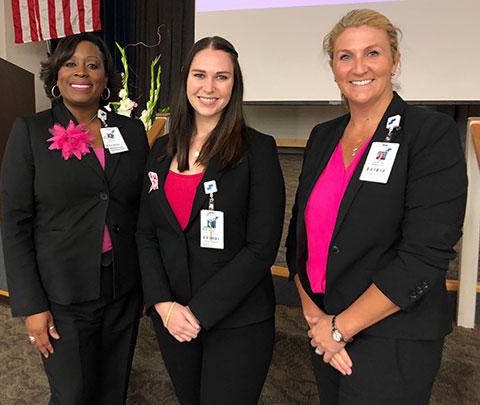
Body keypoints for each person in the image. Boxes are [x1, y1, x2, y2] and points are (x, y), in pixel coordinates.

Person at [285, 9, 467, 404]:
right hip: (325, 324)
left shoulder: (428, 134)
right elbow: (299, 234)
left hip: (393, 333)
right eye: (345, 56)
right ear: (333, 66)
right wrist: (316, 316)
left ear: (394, 61)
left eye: (373, 53)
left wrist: (341, 328)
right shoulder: (323, 136)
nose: (358, 67)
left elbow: (425, 254)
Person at [0, 33, 149, 404]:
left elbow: (143, 211)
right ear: (56, 75)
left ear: (105, 80)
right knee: (73, 395)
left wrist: (148, 285)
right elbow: (15, 224)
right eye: (70, 63)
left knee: (113, 391)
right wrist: (31, 305)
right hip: (62, 293)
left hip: (122, 288)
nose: (81, 71)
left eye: (93, 65)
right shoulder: (31, 131)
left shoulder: (130, 131)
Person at [136, 36, 285, 404]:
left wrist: (199, 313)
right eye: (200, 75)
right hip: (173, 319)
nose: (209, 87)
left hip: (237, 320)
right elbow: (146, 234)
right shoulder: (159, 150)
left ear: (235, 85)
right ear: (185, 78)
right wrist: (162, 304)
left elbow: (261, 248)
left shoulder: (258, 149)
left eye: (222, 77)